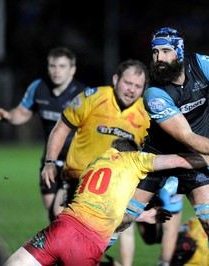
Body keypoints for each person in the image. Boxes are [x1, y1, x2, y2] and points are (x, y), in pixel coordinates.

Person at [114, 26, 209, 266]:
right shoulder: (154, 92)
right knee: (123, 219)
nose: (159, 59)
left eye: (165, 51)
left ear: (179, 51)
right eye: (155, 52)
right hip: (159, 157)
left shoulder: (202, 64)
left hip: (195, 159)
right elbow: (186, 136)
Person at [4, 138, 209, 266]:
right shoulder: (134, 160)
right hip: (86, 246)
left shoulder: (97, 161)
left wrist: (143, 215)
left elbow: (106, 206)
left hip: (60, 231)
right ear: (131, 151)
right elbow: (176, 160)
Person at [40, 59, 150, 266]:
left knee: (124, 228)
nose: (131, 90)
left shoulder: (146, 114)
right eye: (128, 83)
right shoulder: (93, 98)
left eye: (137, 86)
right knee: (60, 226)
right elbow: (62, 127)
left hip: (116, 189)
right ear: (116, 79)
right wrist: (50, 161)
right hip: (76, 181)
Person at [0, 47, 88, 221]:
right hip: (49, 159)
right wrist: (8, 116)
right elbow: (22, 113)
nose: (56, 70)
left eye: (62, 66)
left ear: (72, 69)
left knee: (60, 213)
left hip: (75, 163)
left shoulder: (84, 94)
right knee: (52, 213)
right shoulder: (38, 88)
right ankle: (58, 247)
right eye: (53, 66)